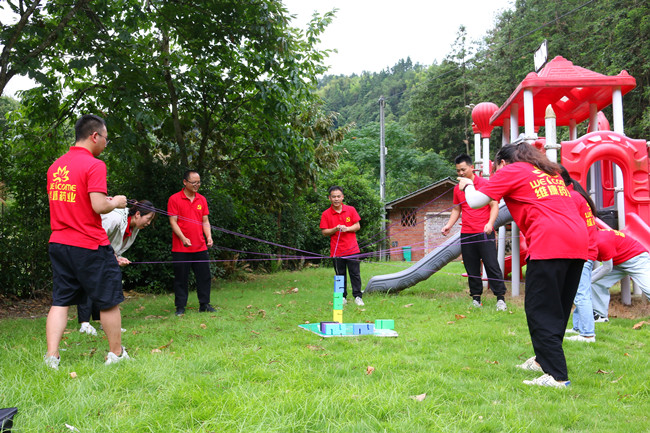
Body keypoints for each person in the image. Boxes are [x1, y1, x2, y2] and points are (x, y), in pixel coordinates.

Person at [458, 141, 588, 388]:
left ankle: (557, 376)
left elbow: (474, 202)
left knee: (540, 309)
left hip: (549, 243)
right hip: (578, 242)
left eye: (496, 168)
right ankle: (542, 361)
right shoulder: (549, 172)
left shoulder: (511, 170)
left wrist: (468, 184)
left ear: (502, 162)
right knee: (557, 308)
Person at [45, 114, 129, 369]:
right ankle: (116, 354)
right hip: (89, 244)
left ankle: (52, 357)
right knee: (108, 300)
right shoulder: (94, 165)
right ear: (94, 136)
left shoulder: (55, 167)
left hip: (59, 243)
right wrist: (117, 202)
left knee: (60, 301)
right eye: (105, 138)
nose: (105, 143)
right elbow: (99, 205)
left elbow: (75, 202)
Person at [77, 201, 157, 335]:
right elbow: (95, 236)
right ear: (138, 214)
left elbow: (115, 245)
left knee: (107, 284)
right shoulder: (114, 218)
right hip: (88, 248)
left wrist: (117, 257)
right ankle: (84, 324)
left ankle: (104, 322)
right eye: (148, 219)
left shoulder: (134, 227)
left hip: (104, 254)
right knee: (89, 284)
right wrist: (112, 256)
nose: (148, 223)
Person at [441, 154, 508, 311]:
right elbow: (457, 209)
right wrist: (448, 225)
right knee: (471, 268)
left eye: (463, 169)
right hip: (467, 233)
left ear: (472, 167)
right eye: (458, 171)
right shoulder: (458, 188)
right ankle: (476, 299)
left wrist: (490, 224)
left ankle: (500, 299)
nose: (461, 173)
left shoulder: (485, 184)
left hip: (485, 232)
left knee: (492, 265)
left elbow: (494, 205)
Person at [168, 170, 216, 316]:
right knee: (181, 278)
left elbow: (205, 221)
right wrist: (183, 238)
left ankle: (204, 304)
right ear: (185, 182)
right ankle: (180, 307)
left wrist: (209, 236)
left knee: (204, 277)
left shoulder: (202, 199)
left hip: (200, 246)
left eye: (199, 182)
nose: (197, 185)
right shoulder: (174, 199)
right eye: (194, 182)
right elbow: (173, 222)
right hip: (181, 248)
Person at [559, 169, 599, 343]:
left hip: (583, 251)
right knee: (578, 291)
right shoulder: (576, 195)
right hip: (586, 249)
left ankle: (588, 334)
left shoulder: (571, 198)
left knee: (581, 293)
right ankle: (578, 328)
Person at [590, 229, 650, 321]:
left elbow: (607, 268)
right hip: (617, 261)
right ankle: (600, 316)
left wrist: (589, 280)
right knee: (596, 282)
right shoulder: (595, 236)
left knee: (648, 288)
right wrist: (590, 280)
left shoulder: (601, 240)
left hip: (636, 258)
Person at [320, 185, 364, 306]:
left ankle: (358, 297)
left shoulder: (351, 210)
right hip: (337, 251)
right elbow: (324, 232)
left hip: (352, 249)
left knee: (355, 274)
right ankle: (341, 297)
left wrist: (347, 228)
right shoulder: (326, 214)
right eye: (333, 197)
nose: (336, 199)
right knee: (340, 275)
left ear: (342, 197)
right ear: (329, 198)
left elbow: (357, 226)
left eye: (338, 196)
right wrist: (335, 229)